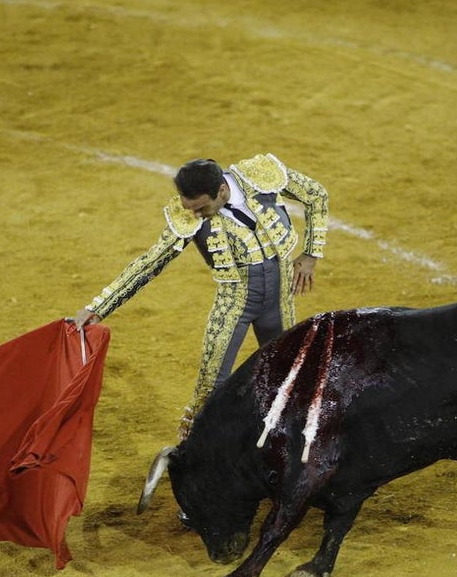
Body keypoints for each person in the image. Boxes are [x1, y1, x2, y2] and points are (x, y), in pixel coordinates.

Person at [70, 154, 329, 440]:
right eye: (189, 208)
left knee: (289, 370)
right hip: (236, 301)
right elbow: (150, 262)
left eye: (201, 208)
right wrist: (99, 307)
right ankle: (197, 454)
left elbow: (316, 194)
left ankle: (290, 441)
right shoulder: (188, 214)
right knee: (211, 384)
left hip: (280, 297)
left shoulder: (260, 177)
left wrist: (310, 255)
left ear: (221, 191)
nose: (194, 215)